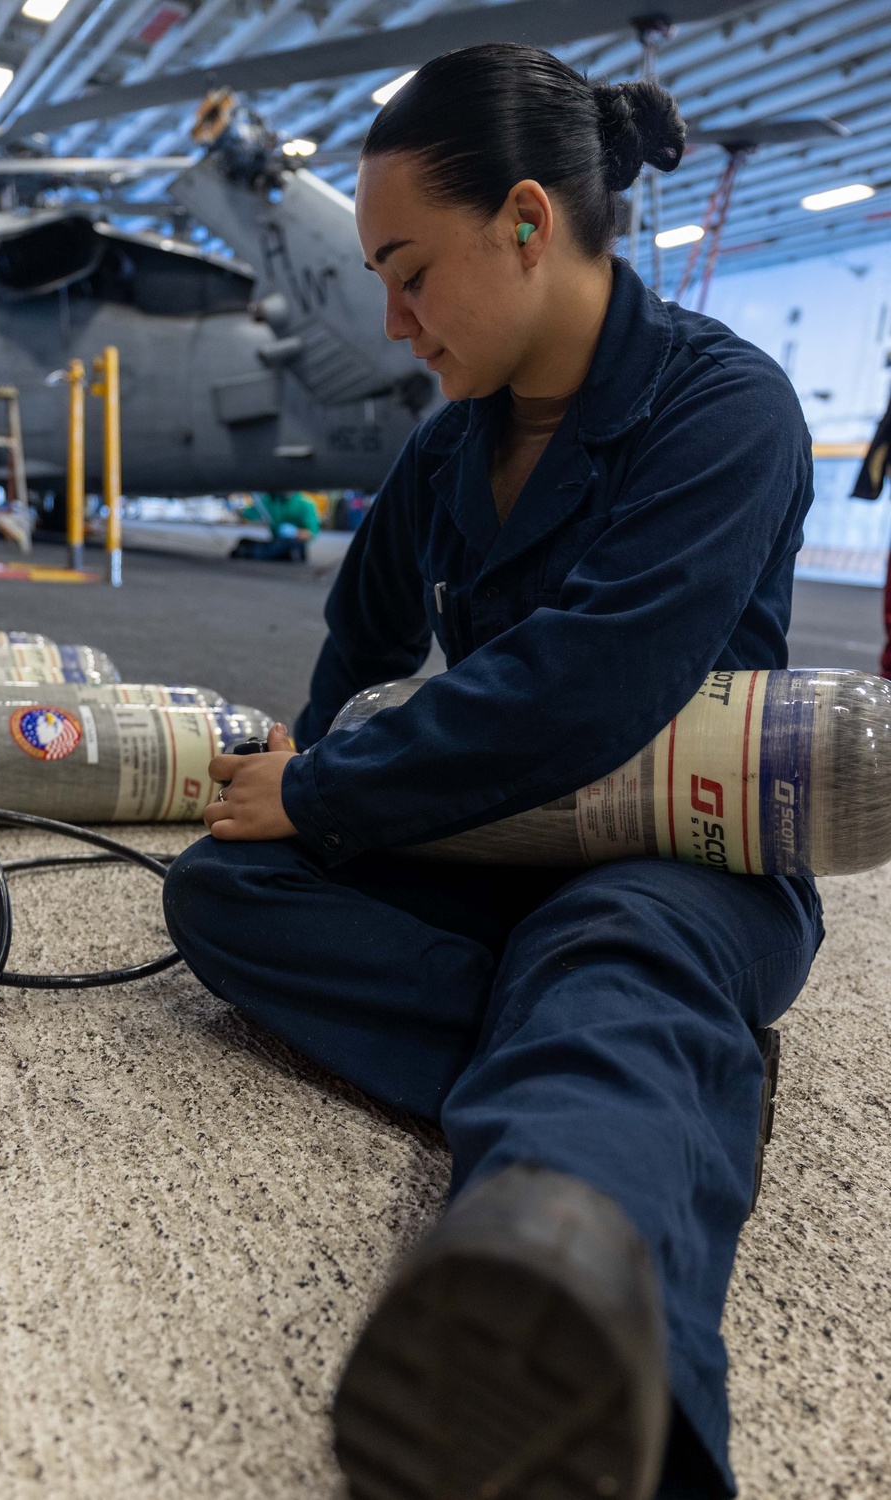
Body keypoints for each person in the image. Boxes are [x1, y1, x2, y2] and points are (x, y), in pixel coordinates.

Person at [163, 43, 825, 1500]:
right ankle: (645, 1065)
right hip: (498, 834)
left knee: (614, 945)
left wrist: (331, 794)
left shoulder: (730, 409)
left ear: (528, 223)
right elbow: (367, 625)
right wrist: (310, 760)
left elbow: (589, 685)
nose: (394, 323)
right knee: (223, 894)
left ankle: (580, 1261)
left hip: (683, 853)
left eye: (409, 273)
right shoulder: (454, 445)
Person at [231, 489, 320, 561]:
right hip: (276, 540)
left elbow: (311, 533)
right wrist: (237, 511)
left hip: (293, 543)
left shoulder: (305, 504)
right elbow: (251, 513)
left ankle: (250, 553)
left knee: (271, 549)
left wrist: (295, 532)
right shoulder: (272, 500)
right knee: (245, 541)